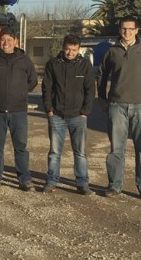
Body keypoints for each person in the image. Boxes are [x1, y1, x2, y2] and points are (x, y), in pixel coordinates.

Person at [41, 33, 94, 195]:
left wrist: (85, 111)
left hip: (78, 116)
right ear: (63, 48)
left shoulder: (85, 65)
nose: (70, 53)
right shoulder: (53, 64)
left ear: (79, 49)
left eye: (74, 50)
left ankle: (82, 183)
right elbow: (46, 88)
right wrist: (49, 109)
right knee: (55, 152)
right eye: (67, 49)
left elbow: (90, 90)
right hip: (57, 115)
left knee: (80, 153)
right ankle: (51, 181)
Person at [0, 26, 38, 191]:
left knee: (21, 147)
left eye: (9, 40)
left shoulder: (24, 60)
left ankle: (24, 179)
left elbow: (33, 81)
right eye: (3, 39)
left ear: (16, 41)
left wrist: (21, 94)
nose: (6, 43)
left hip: (18, 111)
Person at [97, 15, 141, 197]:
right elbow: (101, 75)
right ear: (119, 30)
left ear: (137, 30)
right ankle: (115, 186)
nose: (127, 32)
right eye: (124, 28)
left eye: (131, 28)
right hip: (117, 106)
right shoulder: (111, 51)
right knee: (117, 149)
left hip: (140, 105)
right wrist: (101, 97)